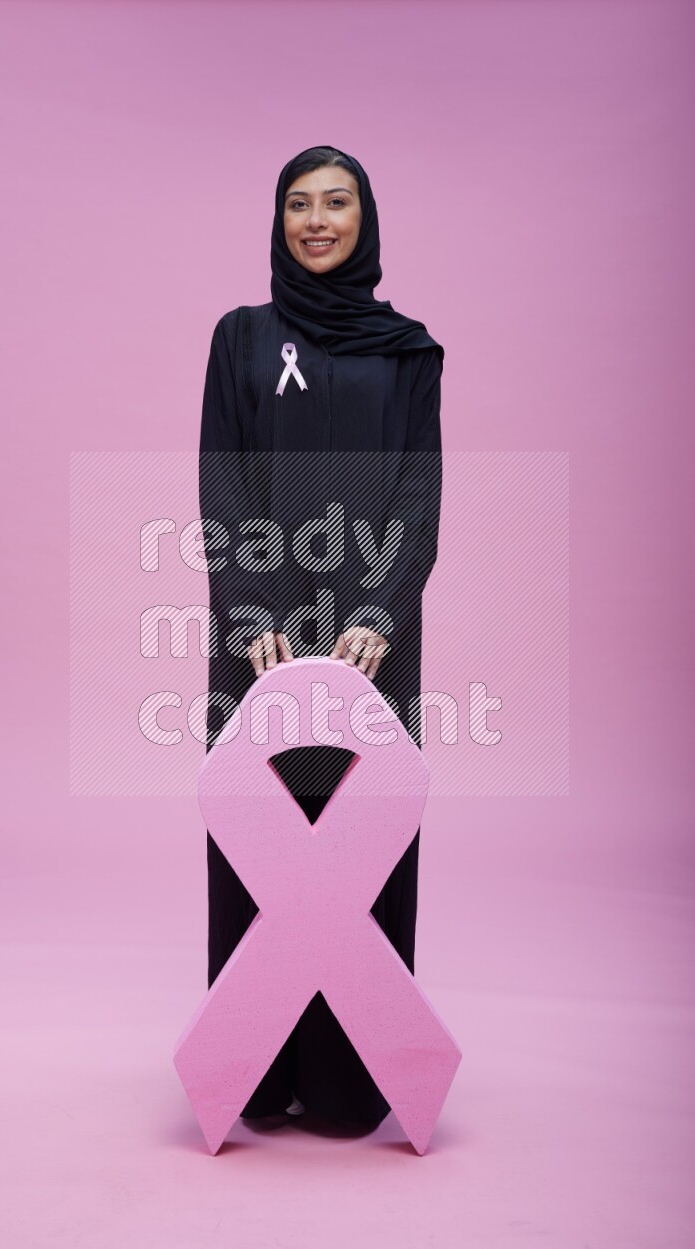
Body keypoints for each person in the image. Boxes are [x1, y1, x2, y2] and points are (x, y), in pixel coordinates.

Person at [198, 145, 444, 1128]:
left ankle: (349, 1083)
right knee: (258, 844)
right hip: (255, 636)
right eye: (297, 204)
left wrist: (378, 614)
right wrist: (252, 612)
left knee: (359, 846)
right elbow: (223, 482)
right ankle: (251, 1073)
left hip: (370, 646)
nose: (315, 220)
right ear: (277, 221)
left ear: (364, 218)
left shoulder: (407, 349)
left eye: (334, 203)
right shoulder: (240, 339)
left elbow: (416, 497)